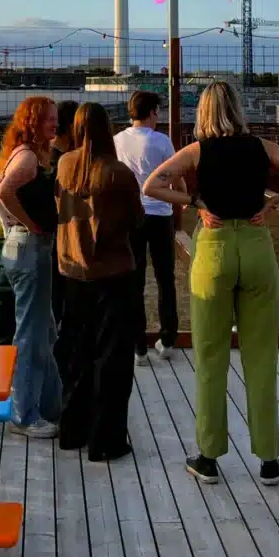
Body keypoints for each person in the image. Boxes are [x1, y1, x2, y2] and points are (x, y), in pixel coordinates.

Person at [143, 81, 279, 487]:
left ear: (205, 112)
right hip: (258, 247)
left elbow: (151, 185)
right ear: (238, 109)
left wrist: (195, 203)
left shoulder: (197, 152)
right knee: (261, 357)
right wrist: (273, 201)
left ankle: (209, 456)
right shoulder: (261, 148)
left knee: (211, 356)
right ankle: (268, 458)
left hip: (214, 247)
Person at [56, 103, 143, 461]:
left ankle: (72, 429)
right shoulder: (118, 173)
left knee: (77, 352)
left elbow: (64, 213)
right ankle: (105, 440)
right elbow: (137, 221)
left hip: (72, 270)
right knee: (112, 358)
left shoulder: (65, 165)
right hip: (112, 272)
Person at [0, 96, 63, 439]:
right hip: (30, 248)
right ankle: (23, 415)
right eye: (48, 119)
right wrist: (27, 223)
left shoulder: (19, 153)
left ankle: (52, 405)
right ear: (33, 122)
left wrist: (10, 224)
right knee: (31, 335)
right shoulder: (30, 158)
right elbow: (4, 190)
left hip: (23, 247)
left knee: (44, 331)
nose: (55, 124)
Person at [114, 91, 180, 366]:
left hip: (131, 215)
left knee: (134, 279)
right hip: (160, 212)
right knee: (166, 277)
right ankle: (167, 338)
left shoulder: (117, 140)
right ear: (152, 111)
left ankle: (137, 344)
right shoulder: (162, 141)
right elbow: (175, 174)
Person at [49, 100, 79, 328]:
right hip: (58, 234)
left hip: (61, 233)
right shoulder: (59, 159)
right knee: (60, 296)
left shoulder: (55, 154)